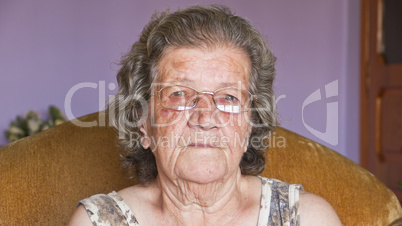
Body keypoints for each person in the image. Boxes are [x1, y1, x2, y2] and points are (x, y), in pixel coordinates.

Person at [68, 5, 341, 225]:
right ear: (143, 123)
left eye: (229, 97)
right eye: (179, 94)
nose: (205, 117)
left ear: (250, 125)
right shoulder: (98, 222)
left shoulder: (307, 218)